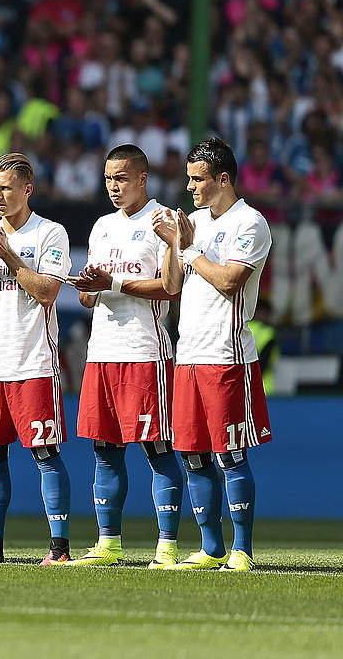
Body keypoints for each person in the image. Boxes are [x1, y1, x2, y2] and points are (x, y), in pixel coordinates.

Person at [153, 137, 271, 572]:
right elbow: (170, 285)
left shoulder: (251, 223)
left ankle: (242, 550)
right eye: (188, 178)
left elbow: (229, 281)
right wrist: (171, 245)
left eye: (197, 179)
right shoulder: (193, 223)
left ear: (224, 179)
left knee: (231, 453)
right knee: (192, 452)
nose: (190, 187)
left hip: (227, 355)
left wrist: (188, 248)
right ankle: (211, 548)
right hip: (188, 355)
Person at [64, 144, 185, 567]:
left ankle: (167, 545)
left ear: (142, 178)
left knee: (157, 449)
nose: (113, 186)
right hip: (102, 352)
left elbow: (171, 287)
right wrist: (88, 285)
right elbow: (86, 297)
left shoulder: (163, 221)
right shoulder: (100, 227)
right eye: (108, 178)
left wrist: (111, 283)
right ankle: (108, 543)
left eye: (121, 178)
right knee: (105, 449)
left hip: (144, 352)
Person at [0, 152, 73, 565]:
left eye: (6, 188)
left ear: (28, 189)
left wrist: (7, 255)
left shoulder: (50, 234)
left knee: (45, 453)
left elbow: (46, 292)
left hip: (33, 361)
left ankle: (59, 548)